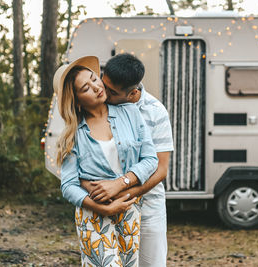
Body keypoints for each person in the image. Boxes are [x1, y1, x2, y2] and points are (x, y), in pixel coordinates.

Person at [54, 55, 158, 267]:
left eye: (94, 78)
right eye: (85, 88)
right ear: (76, 100)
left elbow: (150, 159)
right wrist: (102, 209)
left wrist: (122, 183)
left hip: (129, 208)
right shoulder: (71, 135)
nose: (96, 86)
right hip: (93, 212)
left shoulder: (130, 112)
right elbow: (68, 186)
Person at [82, 53, 173, 267]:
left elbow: (160, 169)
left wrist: (123, 192)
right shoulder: (98, 106)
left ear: (132, 93)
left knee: (152, 263)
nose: (103, 92)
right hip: (104, 201)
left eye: (111, 92)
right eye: (103, 83)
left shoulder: (155, 112)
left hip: (149, 202)